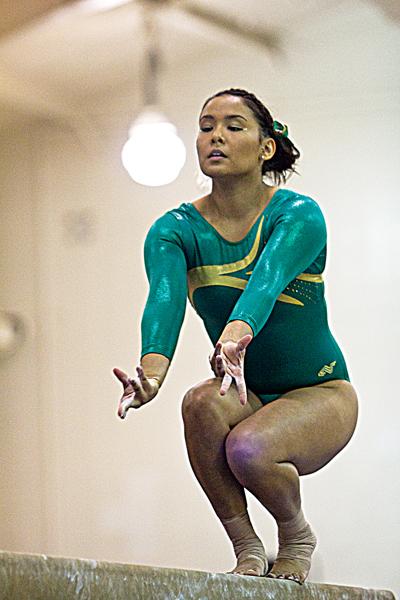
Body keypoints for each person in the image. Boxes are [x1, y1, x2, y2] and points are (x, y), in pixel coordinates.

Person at [113, 88, 358, 584]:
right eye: (206, 126)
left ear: (266, 147)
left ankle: (295, 535)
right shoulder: (174, 229)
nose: (215, 136)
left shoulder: (298, 213)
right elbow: (162, 300)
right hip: (247, 392)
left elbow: (265, 283)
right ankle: (247, 544)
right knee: (198, 404)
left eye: (233, 125)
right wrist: (150, 374)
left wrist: (235, 336)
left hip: (319, 391)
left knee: (249, 449)